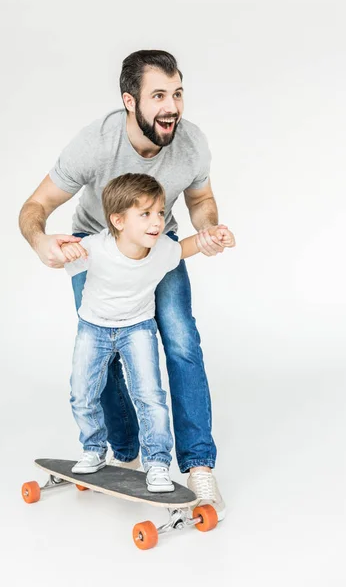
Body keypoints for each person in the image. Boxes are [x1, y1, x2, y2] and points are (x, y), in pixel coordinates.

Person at [19, 49, 235, 517]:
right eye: (158, 95)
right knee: (107, 347)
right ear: (128, 101)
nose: (171, 106)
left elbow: (202, 198)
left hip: (161, 241)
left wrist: (210, 228)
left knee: (180, 339)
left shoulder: (191, 142)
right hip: (96, 246)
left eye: (177, 93)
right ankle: (124, 451)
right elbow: (34, 207)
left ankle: (198, 463)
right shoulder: (93, 145)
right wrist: (42, 244)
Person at [63, 173, 233, 493]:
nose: (157, 221)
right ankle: (94, 449)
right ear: (118, 220)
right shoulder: (92, 248)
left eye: (159, 212)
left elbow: (188, 246)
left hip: (137, 329)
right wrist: (59, 251)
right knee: (82, 393)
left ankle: (156, 462)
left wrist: (216, 235)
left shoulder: (162, 250)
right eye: (145, 214)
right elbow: (60, 256)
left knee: (150, 397)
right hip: (94, 328)